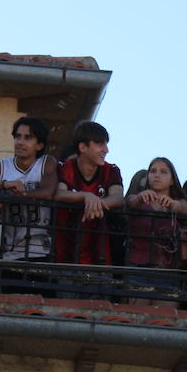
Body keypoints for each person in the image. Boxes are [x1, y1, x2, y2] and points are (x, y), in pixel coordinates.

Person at [0, 116, 58, 295]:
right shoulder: (2, 166)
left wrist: (16, 196)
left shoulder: (46, 163)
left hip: (40, 253)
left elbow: (48, 192)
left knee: (39, 307)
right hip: (9, 255)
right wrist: (4, 185)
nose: (20, 142)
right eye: (17, 136)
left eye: (28, 137)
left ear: (39, 145)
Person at [53, 122, 124, 294]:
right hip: (66, 257)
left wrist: (95, 202)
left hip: (101, 259)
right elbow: (59, 194)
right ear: (83, 147)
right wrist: (86, 196)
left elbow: (118, 198)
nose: (106, 150)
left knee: (99, 308)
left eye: (106, 144)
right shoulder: (64, 167)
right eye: (100, 144)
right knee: (65, 308)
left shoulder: (111, 170)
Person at [123, 157, 187, 305]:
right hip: (137, 268)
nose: (157, 175)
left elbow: (183, 208)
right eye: (153, 171)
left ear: (172, 180)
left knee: (165, 315)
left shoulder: (180, 202)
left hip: (167, 271)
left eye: (163, 172)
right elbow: (130, 202)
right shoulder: (138, 199)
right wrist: (140, 198)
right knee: (134, 314)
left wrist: (172, 204)